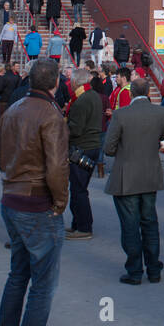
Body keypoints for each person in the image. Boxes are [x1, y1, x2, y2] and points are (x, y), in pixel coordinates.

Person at [0, 58, 68, 326]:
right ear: (56, 83)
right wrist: (60, 202)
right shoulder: (50, 115)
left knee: (18, 274)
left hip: (11, 197)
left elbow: (1, 156)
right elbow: (56, 166)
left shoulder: (13, 109)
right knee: (42, 283)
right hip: (37, 203)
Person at [104, 77, 164, 283]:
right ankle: (154, 269)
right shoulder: (161, 113)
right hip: (150, 174)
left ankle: (134, 270)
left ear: (131, 93)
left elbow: (108, 148)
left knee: (130, 225)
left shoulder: (120, 114)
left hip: (126, 177)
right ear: (149, 93)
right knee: (150, 222)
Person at [65, 67, 102, 239]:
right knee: (79, 188)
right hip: (92, 145)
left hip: (81, 147)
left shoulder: (81, 101)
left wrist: (63, 125)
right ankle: (77, 224)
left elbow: (75, 129)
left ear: (75, 82)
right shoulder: (93, 96)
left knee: (79, 189)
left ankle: (84, 227)